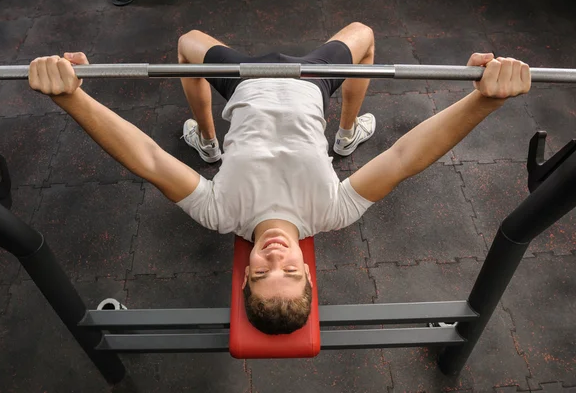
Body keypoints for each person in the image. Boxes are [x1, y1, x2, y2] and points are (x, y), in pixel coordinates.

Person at [28, 22, 531, 335]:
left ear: (243, 275)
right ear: (309, 272)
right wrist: (484, 100)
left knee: (187, 42)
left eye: (261, 275)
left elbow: (149, 159)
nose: (274, 261)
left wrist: (71, 97)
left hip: (246, 82)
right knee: (364, 33)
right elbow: (405, 157)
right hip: (311, 82)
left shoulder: (220, 213)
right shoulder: (333, 211)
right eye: (290, 273)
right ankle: (348, 132)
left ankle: (208, 139)